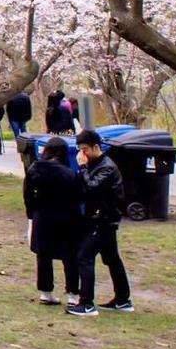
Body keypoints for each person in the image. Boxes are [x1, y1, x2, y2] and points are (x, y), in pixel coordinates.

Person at [67, 128, 132, 317]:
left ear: (96, 147)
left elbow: (91, 188)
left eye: (85, 149)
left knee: (85, 256)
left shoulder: (106, 167)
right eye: (80, 149)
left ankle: (86, 303)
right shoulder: (97, 164)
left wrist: (83, 168)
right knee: (112, 258)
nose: (82, 154)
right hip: (102, 217)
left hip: (103, 219)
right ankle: (122, 299)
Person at [23, 136, 81, 306]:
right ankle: (73, 293)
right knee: (69, 255)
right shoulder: (68, 173)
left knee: (44, 255)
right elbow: (79, 194)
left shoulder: (34, 169)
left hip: (42, 215)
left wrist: (31, 215)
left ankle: (46, 292)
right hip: (65, 216)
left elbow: (27, 194)